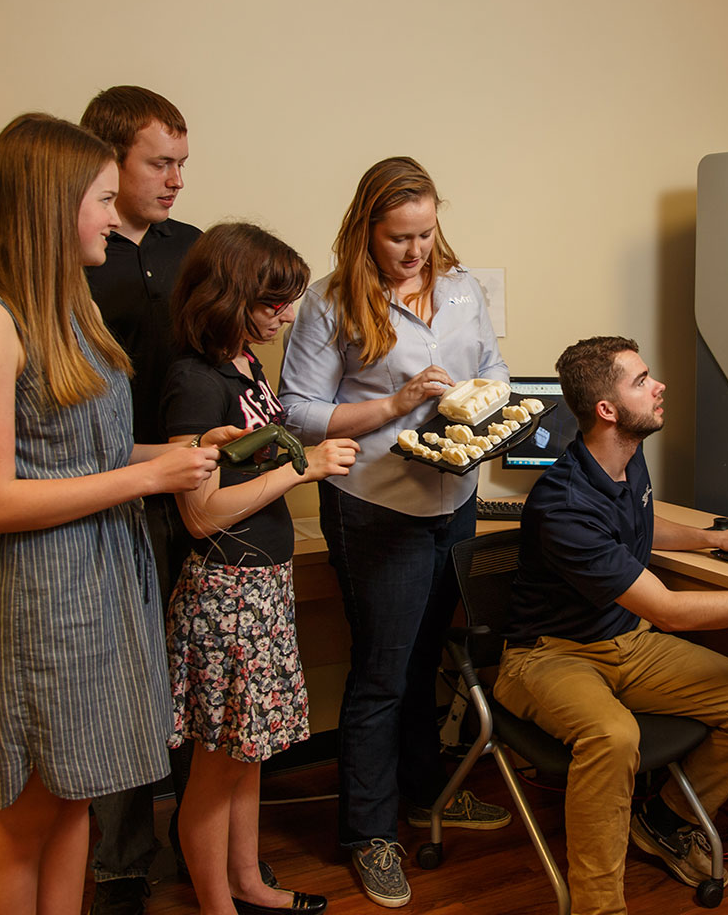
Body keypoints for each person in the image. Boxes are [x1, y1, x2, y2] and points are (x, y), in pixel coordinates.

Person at [0, 113, 237, 915]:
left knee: (76, 803)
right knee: (23, 821)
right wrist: (148, 481)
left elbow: (85, 458)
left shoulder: (69, 309)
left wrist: (176, 455)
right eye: (102, 200)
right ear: (50, 203)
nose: (116, 216)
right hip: (40, 597)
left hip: (99, 583)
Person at [494, 335, 728, 915]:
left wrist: (712, 538)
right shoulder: (563, 503)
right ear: (607, 409)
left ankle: (665, 818)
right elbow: (669, 611)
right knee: (614, 737)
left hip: (625, 642)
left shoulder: (625, 454)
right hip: (549, 656)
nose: (659, 385)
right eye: (642, 380)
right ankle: (598, 907)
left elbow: (641, 525)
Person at [279, 157, 511, 908]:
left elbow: (494, 365)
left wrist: (491, 400)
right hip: (378, 506)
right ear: (366, 232)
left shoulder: (462, 286)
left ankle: (426, 798)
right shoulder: (331, 302)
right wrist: (398, 402)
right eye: (398, 238)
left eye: (426, 233)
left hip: (456, 494)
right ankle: (368, 835)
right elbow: (297, 411)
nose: (415, 252)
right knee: (381, 674)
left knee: (426, 664)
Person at [162, 223, 358, 915]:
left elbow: (253, 459)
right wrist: (305, 471)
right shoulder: (193, 379)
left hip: (263, 585)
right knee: (214, 772)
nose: (285, 317)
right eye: (271, 304)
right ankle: (218, 905)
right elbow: (201, 514)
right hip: (225, 594)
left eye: (288, 303)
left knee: (247, 755)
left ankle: (248, 881)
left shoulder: (246, 362)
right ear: (229, 295)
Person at [79, 85, 202, 914]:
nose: (175, 180)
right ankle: (121, 862)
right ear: (108, 158)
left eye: (182, 164)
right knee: (125, 679)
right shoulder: (75, 254)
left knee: (195, 669)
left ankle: (199, 841)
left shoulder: (191, 246)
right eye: (160, 162)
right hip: (112, 489)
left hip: (194, 477)